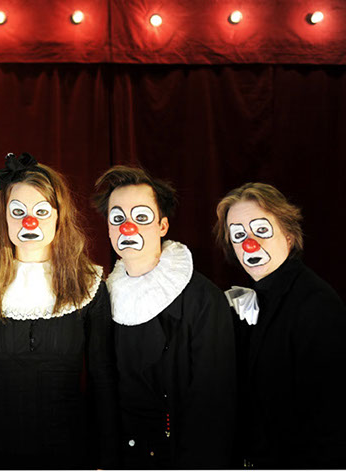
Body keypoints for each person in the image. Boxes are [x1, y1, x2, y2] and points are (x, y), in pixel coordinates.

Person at [0, 153, 117, 469]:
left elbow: (103, 379)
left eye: (41, 211)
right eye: (18, 212)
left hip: (70, 454)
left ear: (59, 217)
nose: (28, 221)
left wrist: (107, 459)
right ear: (4, 217)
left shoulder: (89, 284)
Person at [93, 165, 235, 468]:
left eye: (141, 217)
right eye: (117, 219)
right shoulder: (103, 299)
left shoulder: (204, 300)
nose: (127, 228)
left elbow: (213, 405)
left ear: (162, 226)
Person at [216, 182, 346, 468]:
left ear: (288, 235)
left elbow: (330, 423)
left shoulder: (316, 304)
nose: (249, 243)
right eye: (238, 235)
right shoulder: (244, 301)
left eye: (261, 230)